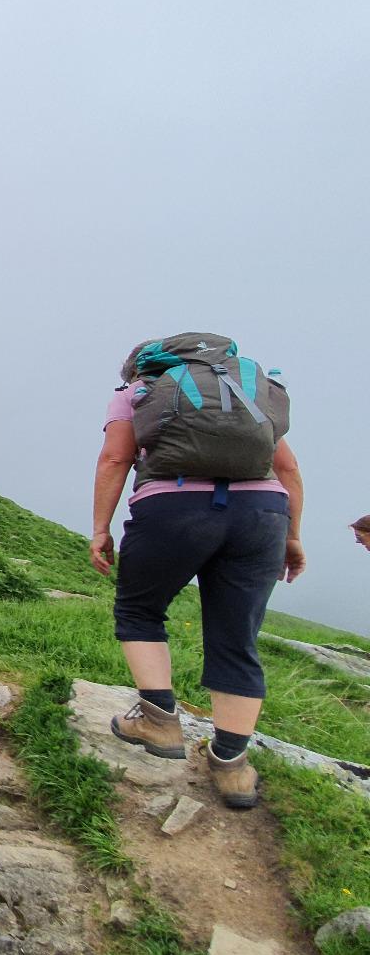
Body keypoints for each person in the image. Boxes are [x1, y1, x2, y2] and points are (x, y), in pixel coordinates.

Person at [90, 333, 304, 809]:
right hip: (261, 512)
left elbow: (116, 457)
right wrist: (290, 536)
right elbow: (287, 469)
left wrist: (100, 529)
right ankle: (232, 767)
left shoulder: (137, 391)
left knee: (141, 609)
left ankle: (159, 721)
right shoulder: (247, 390)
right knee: (237, 635)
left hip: (172, 506)